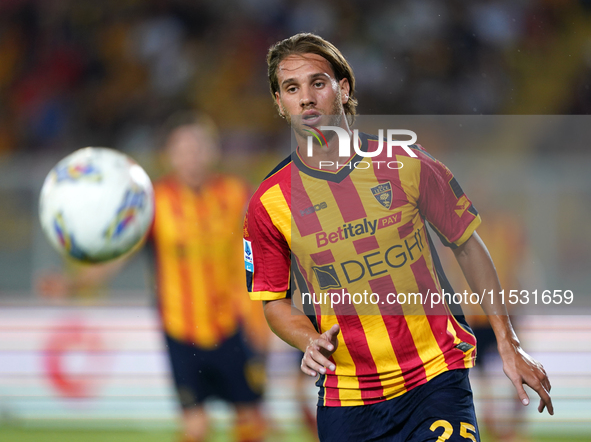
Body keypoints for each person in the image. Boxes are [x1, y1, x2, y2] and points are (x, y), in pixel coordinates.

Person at [242, 33, 552, 442]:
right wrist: (309, 339)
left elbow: (466, 243)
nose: (306, 98)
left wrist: (507, 339)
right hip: (348, 398)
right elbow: (274, 302)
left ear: (343, 88)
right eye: (291, 88)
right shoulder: (268, 203)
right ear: (279, 102)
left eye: (318, 83)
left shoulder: (406, 162)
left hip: (436, 376)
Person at [39, 118, 268, 442]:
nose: (192, 156)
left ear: (213, 152)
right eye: (183, 149)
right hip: (180, 331)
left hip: (234, 325)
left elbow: (267, 246)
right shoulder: (154, 201)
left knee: (251, 422)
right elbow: (119, 255)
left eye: (198, 147)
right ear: (169, 156)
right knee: (195, 427)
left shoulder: (236, 193)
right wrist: (74, 283)